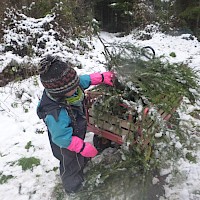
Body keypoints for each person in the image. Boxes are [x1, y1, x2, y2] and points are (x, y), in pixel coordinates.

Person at [36, 55, 114, 194]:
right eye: (73, 86)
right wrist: (82, 146)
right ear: (61, 92)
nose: (77, 86)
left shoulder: (69, 89)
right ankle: (73, 188)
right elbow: (61, 138)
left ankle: (80, 162)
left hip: (73, 134)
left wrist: (100, 78)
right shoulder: (56, 113)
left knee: (77, 158)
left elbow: (82, 81)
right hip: (65, 144)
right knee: (70, 165)